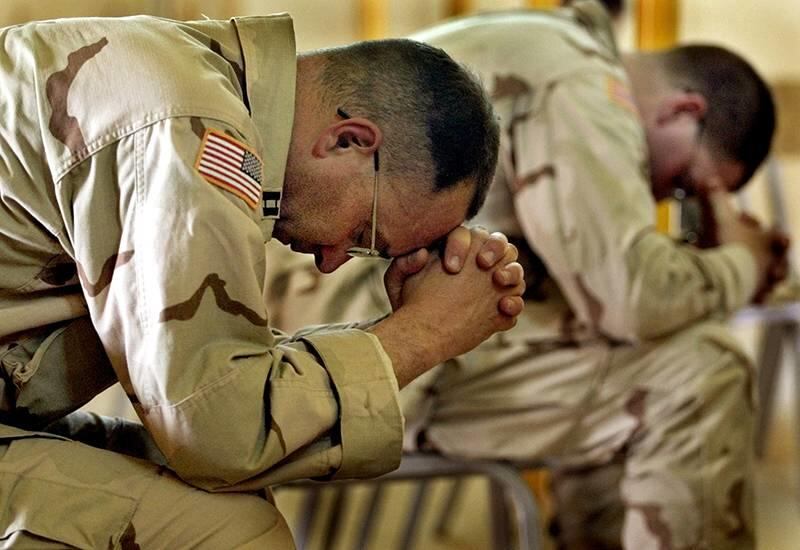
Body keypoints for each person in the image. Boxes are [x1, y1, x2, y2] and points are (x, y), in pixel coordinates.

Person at [264, 1, 786, 548]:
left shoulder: (545, 42)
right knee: (704, 370)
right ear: (683, 110)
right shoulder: (581, 83)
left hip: (328, 323)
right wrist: (743, 262)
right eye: (684, 184)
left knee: (646, 356)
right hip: (355, 357)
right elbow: (630, 298)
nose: (665, 198)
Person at [0, 13, 526, 548]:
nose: (331, 261)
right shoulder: (186, 125)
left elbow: (214, 396)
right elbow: (217, 431)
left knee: (209, 496)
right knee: (229, 535)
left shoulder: (188, 84)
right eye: (367, 237)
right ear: (348, 141)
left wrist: (396, 331)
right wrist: (425, 333)